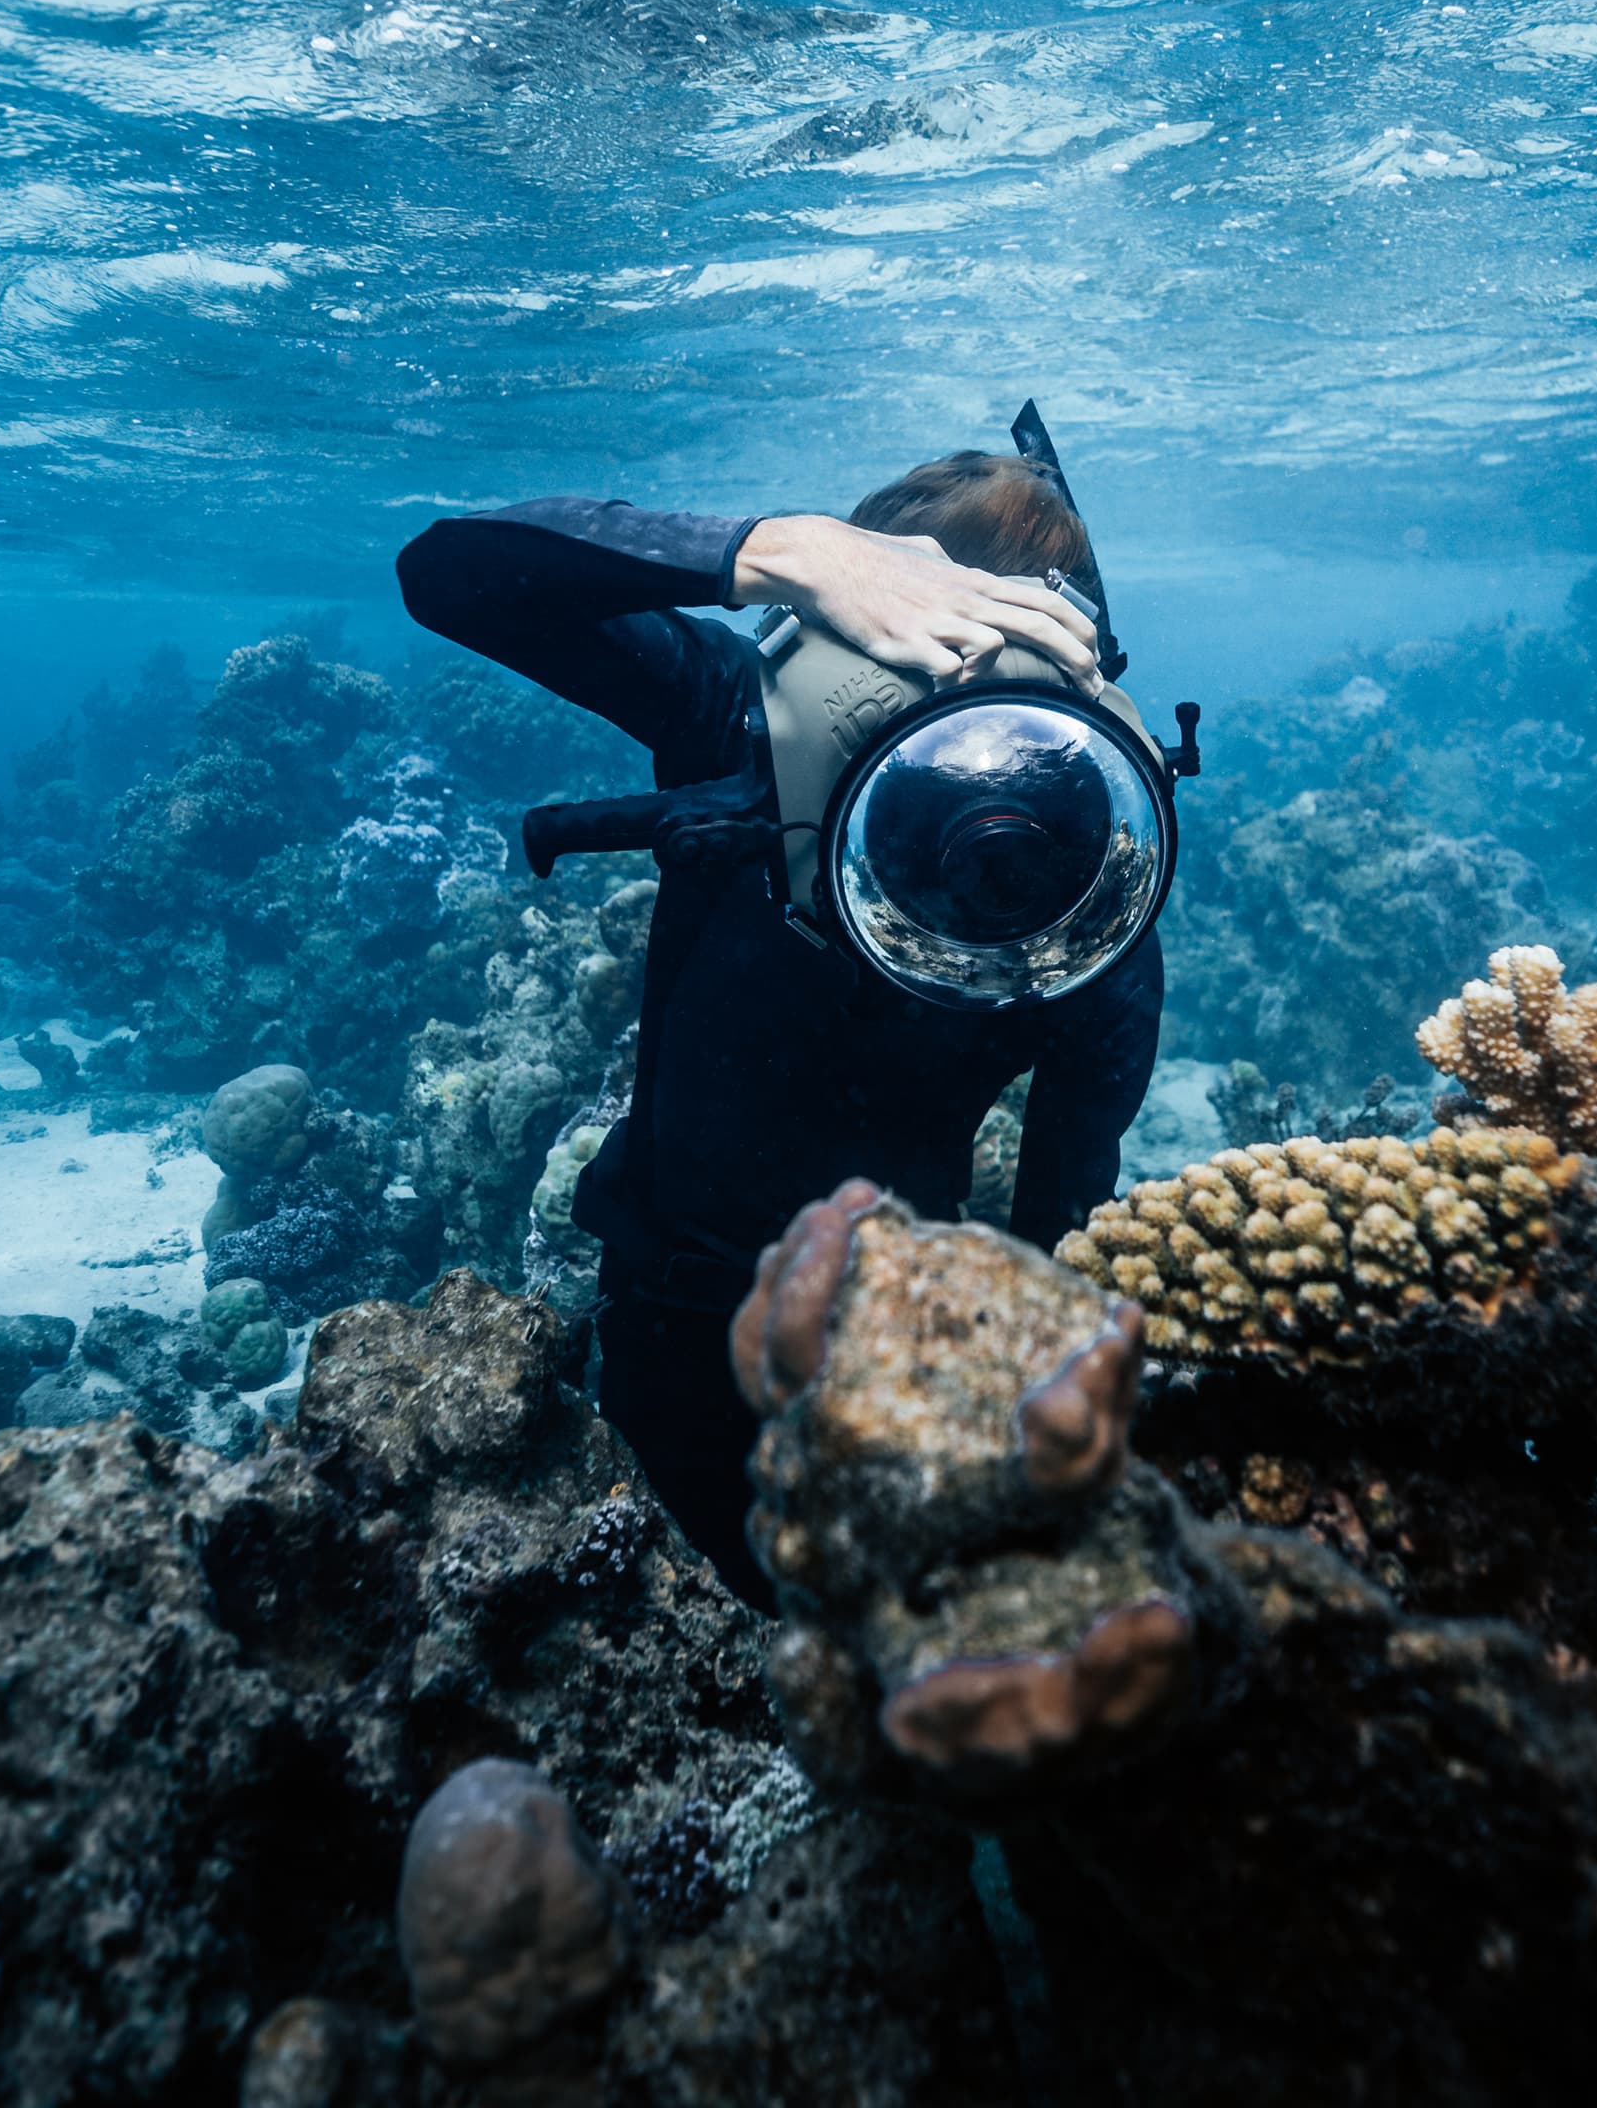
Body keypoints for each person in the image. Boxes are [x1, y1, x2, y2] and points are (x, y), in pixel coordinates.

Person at [394, 456, 1165, 1611]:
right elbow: (451, 573)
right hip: (694, 1324)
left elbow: (1064, 1223)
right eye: (905, 660)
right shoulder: (746, 722)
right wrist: (778, 549)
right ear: (840, 642)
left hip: (871, 1361)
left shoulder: (1086, 877)